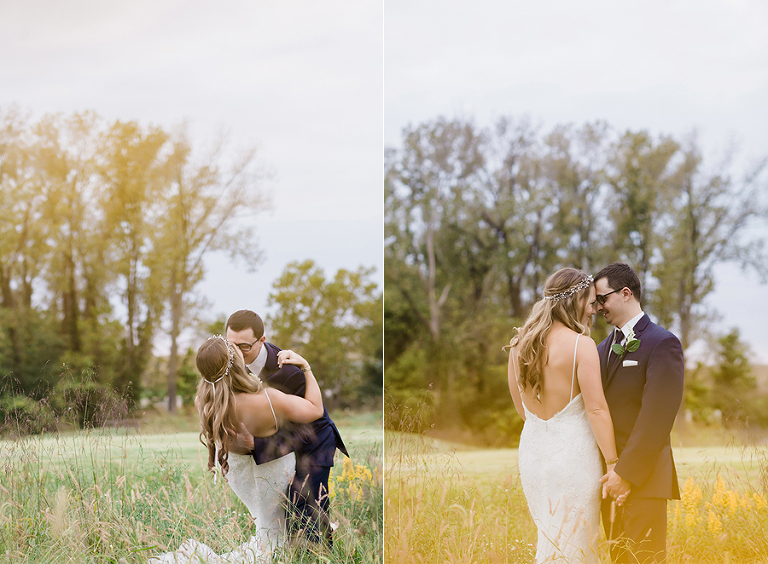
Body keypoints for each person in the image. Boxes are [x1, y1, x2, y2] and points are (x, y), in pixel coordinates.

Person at [149, 335, 323, 563]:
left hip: (239, 476)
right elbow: (315, 409)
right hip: (274, 476)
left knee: (268, 530)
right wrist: (306, 368)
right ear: (235, 362)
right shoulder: (268, 400)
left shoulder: (203, 401)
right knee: (275, 543)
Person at [507, 268, 619, 564]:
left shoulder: (518, 345)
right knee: (578, 540)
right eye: (592, 302)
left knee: (550, 535)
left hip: (534, 454)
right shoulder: (581, 345)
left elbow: (523, 409)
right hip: (574, 457)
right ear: (576, 301)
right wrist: (613, 462)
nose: (595, 309)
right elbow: (596, 409)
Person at [225, 310, 348, 547]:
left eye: (244, 347)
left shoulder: (288, 372)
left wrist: (257, 444)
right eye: (232, 346)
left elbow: (310, 424)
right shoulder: (231, 363)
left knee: (303, 506)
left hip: (315, 443)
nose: (237, 354)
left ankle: (318, 554)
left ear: (261, 340)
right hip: (281, 446)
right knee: (283, 509)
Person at [594, 263, 684, 564]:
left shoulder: (662, 343)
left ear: (626, 293)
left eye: (602, 298)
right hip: (608, 482)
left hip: (644, 479)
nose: (598, 307)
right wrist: (611, 474)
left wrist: (626, 474)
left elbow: (656, 419)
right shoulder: (600, 348)